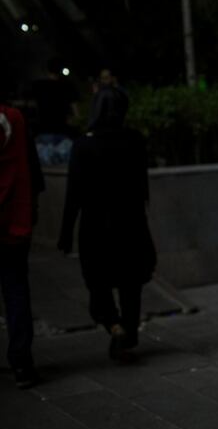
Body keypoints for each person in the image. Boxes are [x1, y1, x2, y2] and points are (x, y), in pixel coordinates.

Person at [58, 87, 156, 361]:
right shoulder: (134, 141)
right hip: (131, 225)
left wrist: (65, 234)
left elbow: (73, 194)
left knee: (97, 283)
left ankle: (114, 325)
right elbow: (141, 187)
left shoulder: (84, 146)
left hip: (96, 228)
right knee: (130, 284)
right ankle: (128, 330)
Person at [0, 83, 44, 388]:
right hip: (14, 222)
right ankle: (21, 363)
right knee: (16, 292)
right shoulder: (14, 118)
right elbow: (32, 167)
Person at [31, 58, 79, 166]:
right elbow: (75, 112)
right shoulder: (68, 86)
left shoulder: (38, 86)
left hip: (43, 131)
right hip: (63, 132)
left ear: (47, 70)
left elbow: (33, 107)